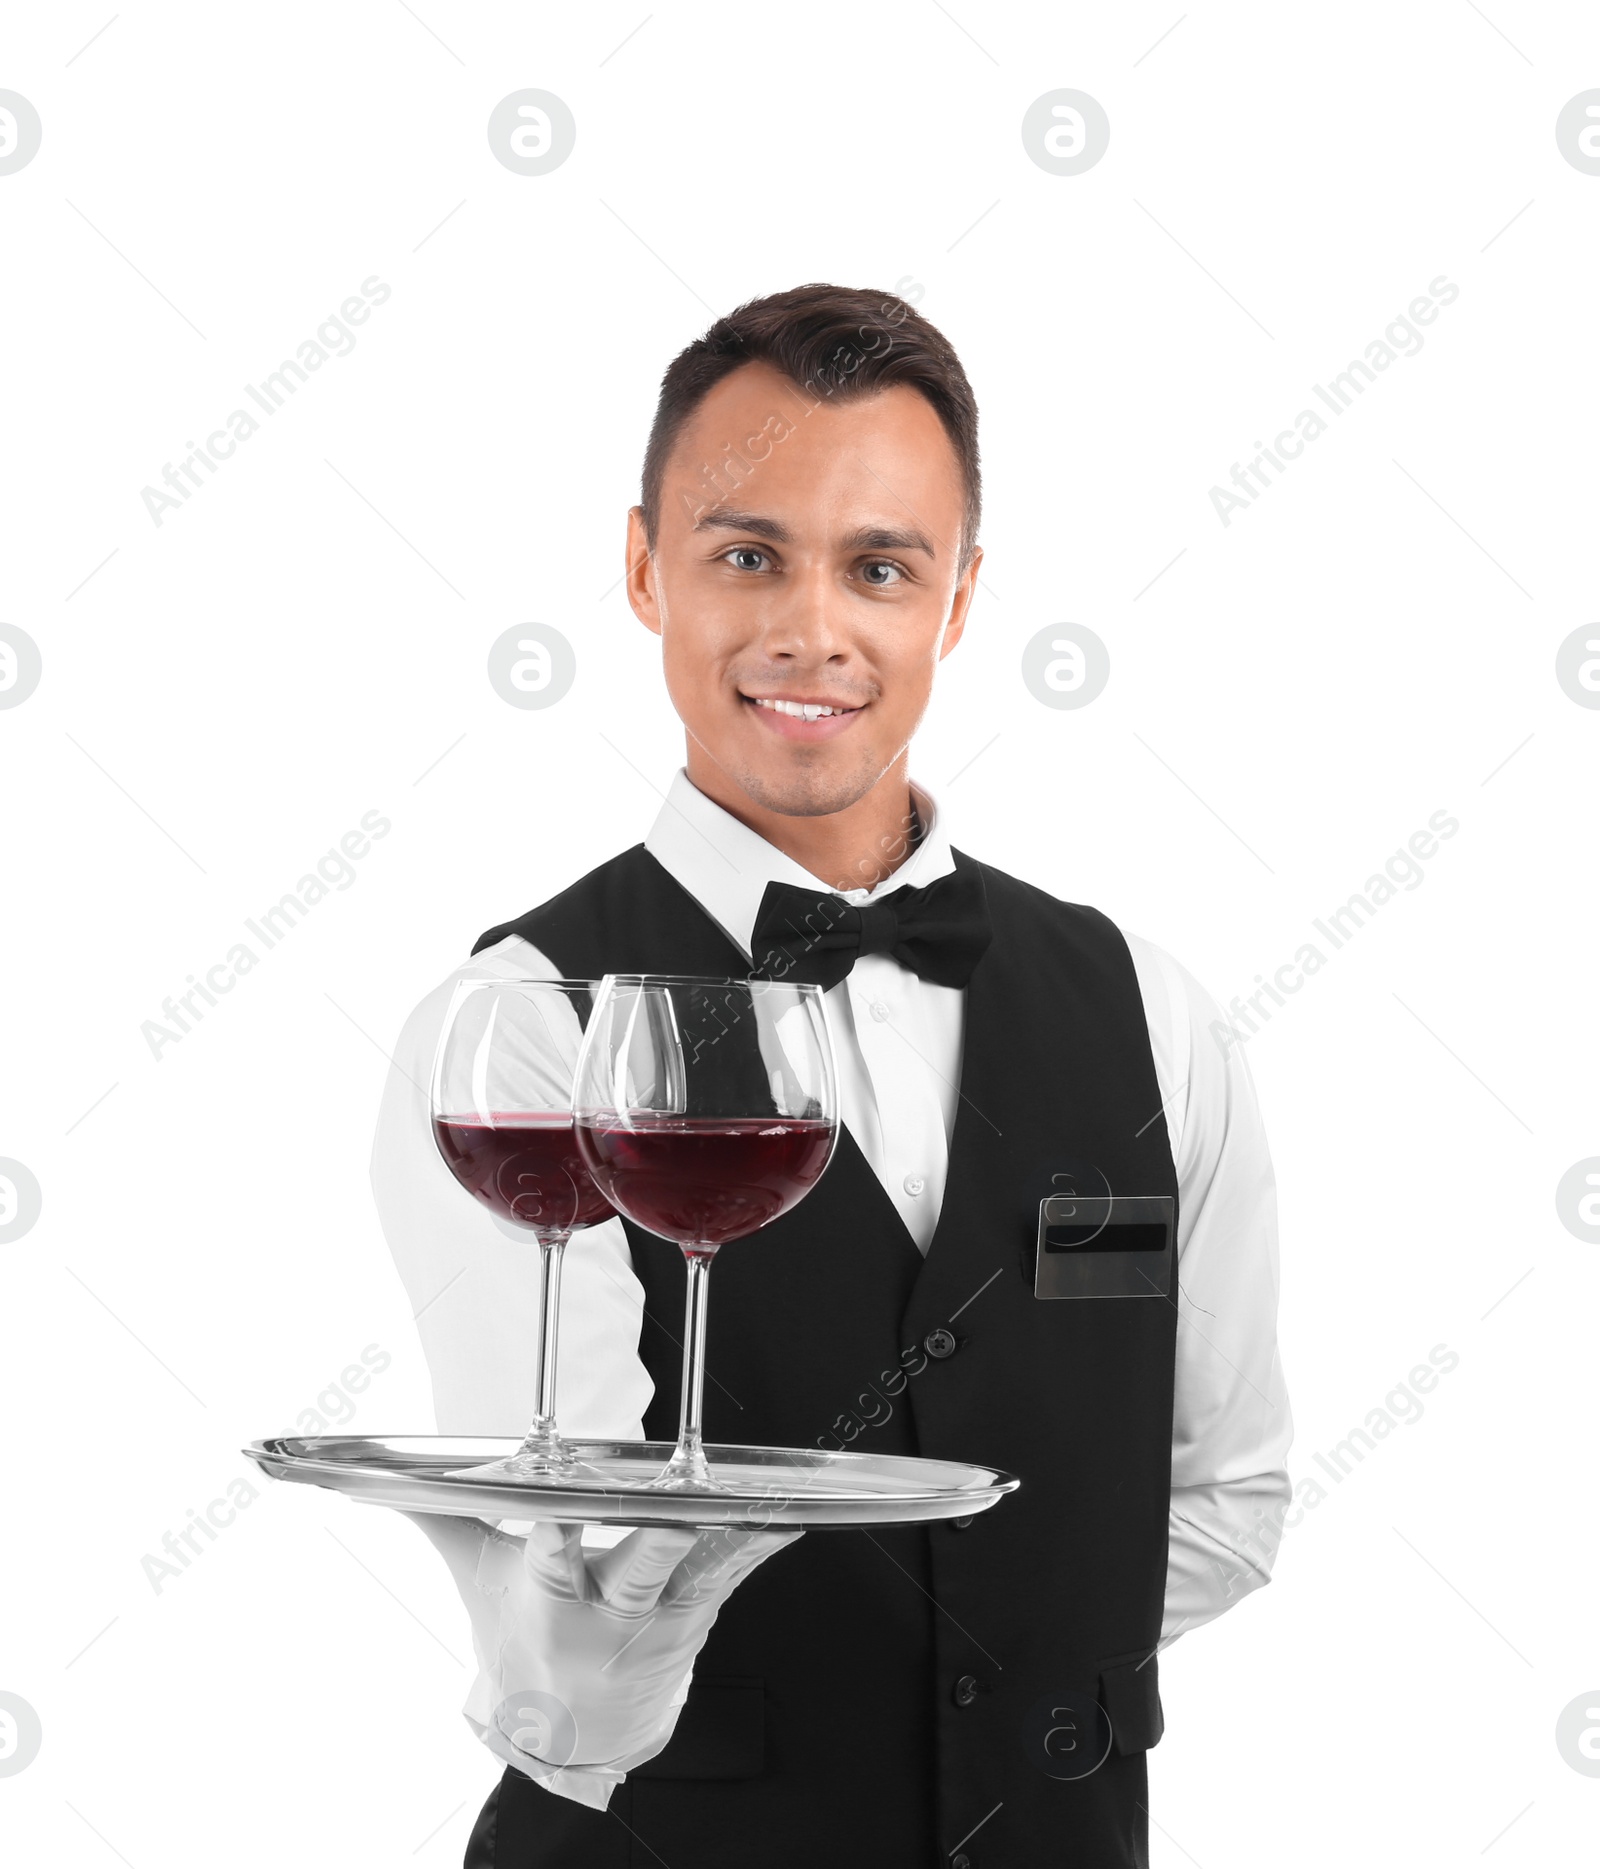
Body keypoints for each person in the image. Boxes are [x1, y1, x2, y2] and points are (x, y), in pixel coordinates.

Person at [371, 283, 1292, 1869]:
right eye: (746, 555)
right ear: (646, 569)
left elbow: (1227, 1499)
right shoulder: (522, 1029)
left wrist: (991, 1683)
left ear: (960, 596)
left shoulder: (1151, 1009)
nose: (813, 629)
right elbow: (568, 1575)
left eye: (879, 566)